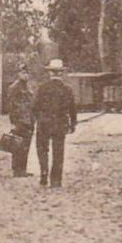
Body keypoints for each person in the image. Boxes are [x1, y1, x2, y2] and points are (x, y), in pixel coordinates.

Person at [32, 60, 78, 188]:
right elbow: (72, 108)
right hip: (60, 124)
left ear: (50, 73)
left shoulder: (42, 88)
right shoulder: (67, 89)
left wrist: (38, 119)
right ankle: (56, 179)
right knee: (58, 151)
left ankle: (43, 172)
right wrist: (73, 123)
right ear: (61, 73)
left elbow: (34, 107)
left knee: (42, 149)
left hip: (44, 123)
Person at [5, 71, 35, 177]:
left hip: (29, 120)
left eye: (27, 73)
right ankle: (17, 169)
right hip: (20, 120)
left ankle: (23, 169)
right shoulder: (14, 87)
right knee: (18, 145)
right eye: (23, 73)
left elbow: (32, 102)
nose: (26, 75)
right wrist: (13, 121)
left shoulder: (28, 86)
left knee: (26, 145)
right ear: (19, 74)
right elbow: (11, 105)